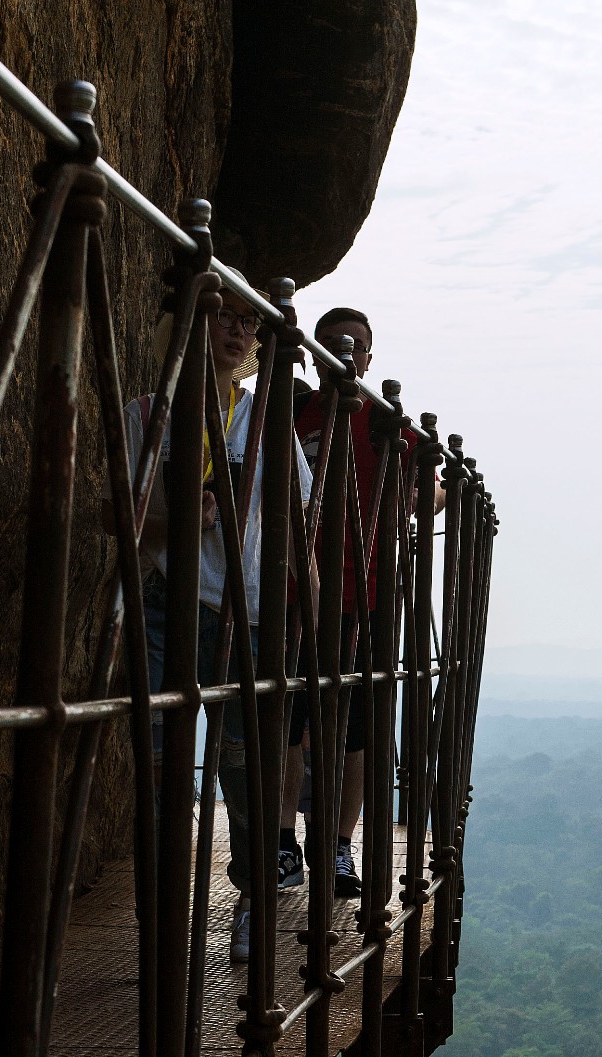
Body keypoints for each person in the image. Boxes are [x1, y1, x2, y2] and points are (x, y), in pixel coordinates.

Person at [130, 289, 314, 963]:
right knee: (159, 768)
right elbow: (115, 518)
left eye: (247, 322)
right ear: (187, 321)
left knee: (243, 771)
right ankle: (160, 918)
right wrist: (184, 519)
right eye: (221, 314)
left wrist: (306, 624)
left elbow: (297, 529)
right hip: (166, 604)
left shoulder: (265, 423)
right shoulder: (150, 415)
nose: (237, 331)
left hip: (253, 613)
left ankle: (247, 904)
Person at [288, 306, 444, 900]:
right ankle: (286, 840)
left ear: (370, 357)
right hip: (297, 592)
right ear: (313, 351)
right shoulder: (292, 412)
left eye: (354, 346)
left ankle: (337, 846)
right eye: (331, 345)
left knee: (354, 729)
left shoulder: (383, 423)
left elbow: (429, 497)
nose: (343, 355)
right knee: (292, 722)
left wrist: (411, 483)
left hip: (367, 596)